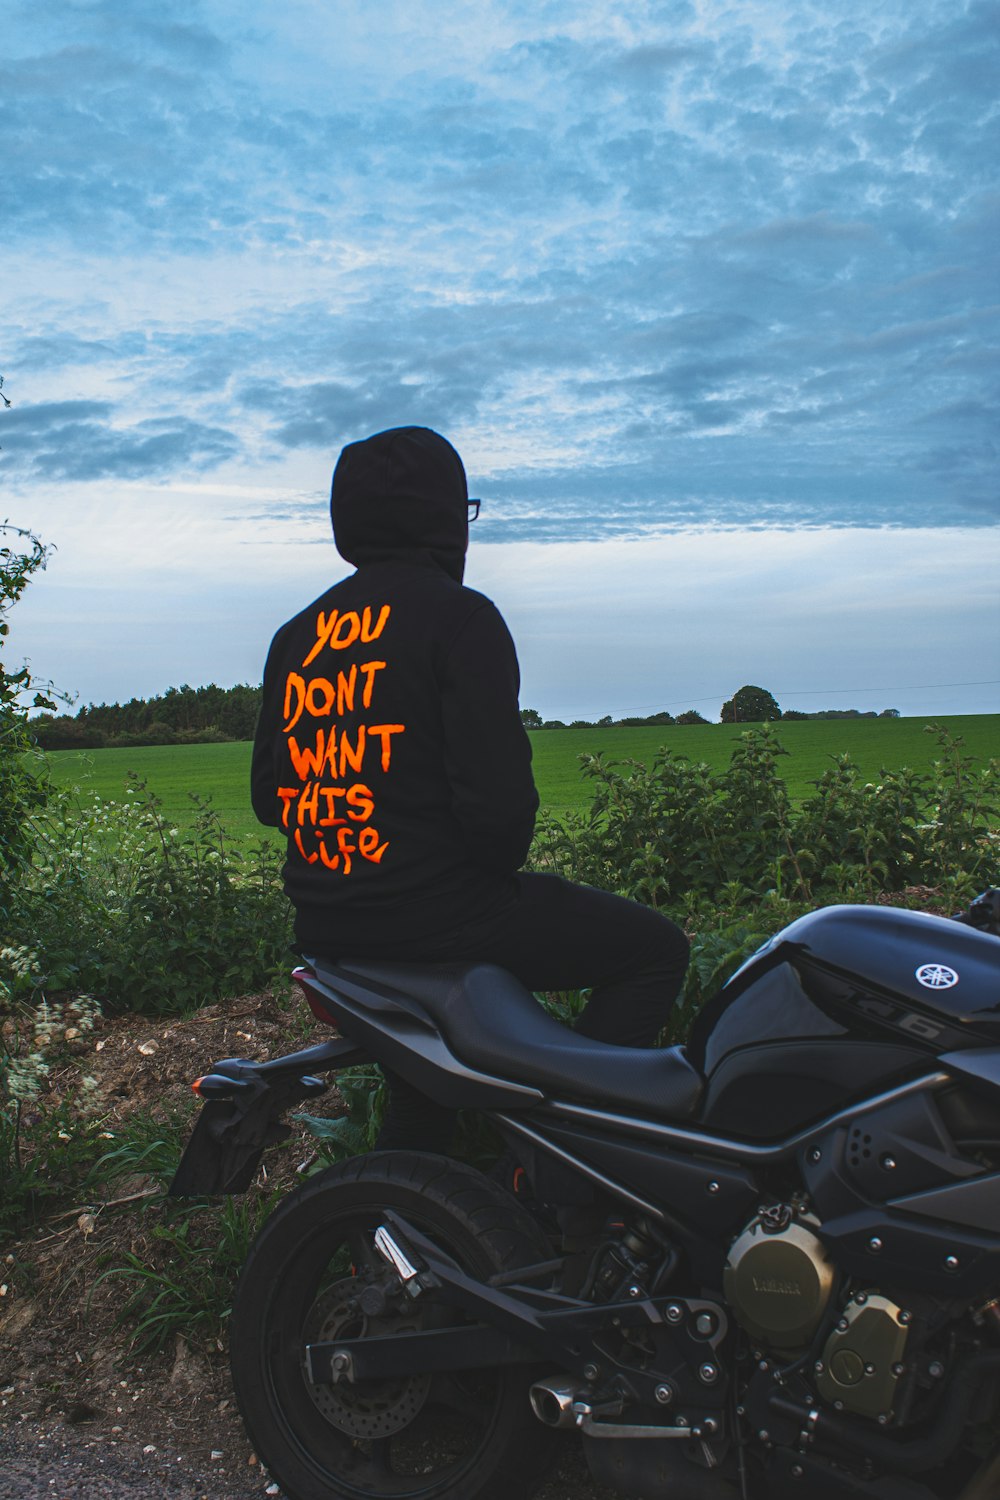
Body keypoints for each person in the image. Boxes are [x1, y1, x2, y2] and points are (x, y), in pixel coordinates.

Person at [251, 425, 689, 1151]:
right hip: (442, 917)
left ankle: (417, 1224)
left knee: (423, 1107)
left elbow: (272, 799)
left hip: (329, 928)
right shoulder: (460, 619)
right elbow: (500, 815)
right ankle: (580, 1145)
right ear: (446, 518)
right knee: (654, 950)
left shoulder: (298, 637)